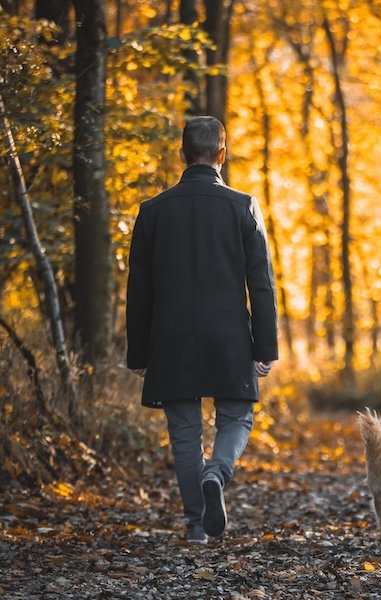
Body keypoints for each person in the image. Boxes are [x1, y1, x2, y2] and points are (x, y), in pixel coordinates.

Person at [126, 116, 279, 545]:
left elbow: (140, 291)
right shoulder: (243, 204)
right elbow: (260, 283)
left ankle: (197, 527)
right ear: (222, 155)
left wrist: (139, 353)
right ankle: (218, 472)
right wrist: (264, 345)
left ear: (183, 154)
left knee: (185, 435)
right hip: (229, 337)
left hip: (171, 340)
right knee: (237, 417)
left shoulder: (152, 211)